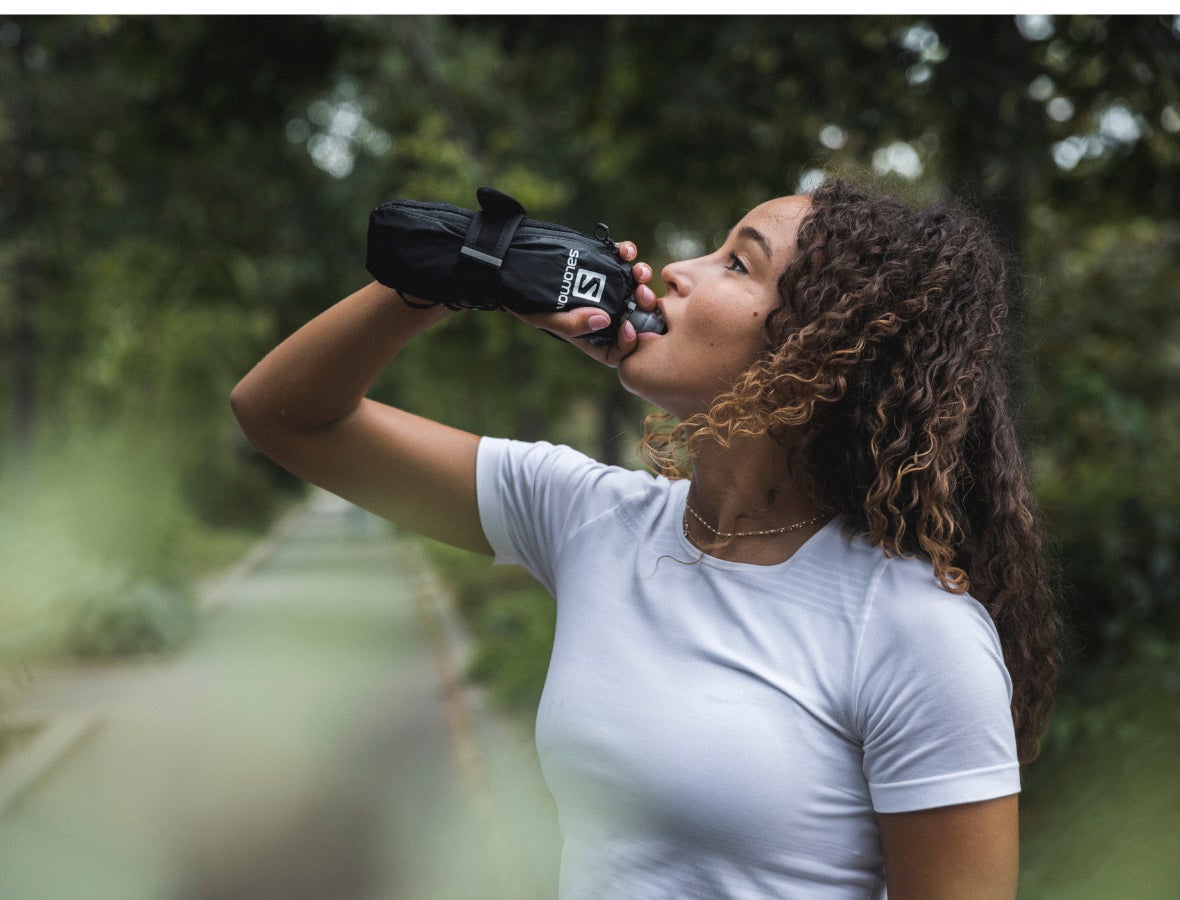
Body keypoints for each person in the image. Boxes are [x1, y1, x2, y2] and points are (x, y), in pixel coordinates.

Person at [231, 177, 1061, 899]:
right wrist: (469, 269)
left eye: (738, 262)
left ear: (821, 351)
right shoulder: (591, 517)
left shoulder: (916, 633)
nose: (675, 271)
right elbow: (285, 415)